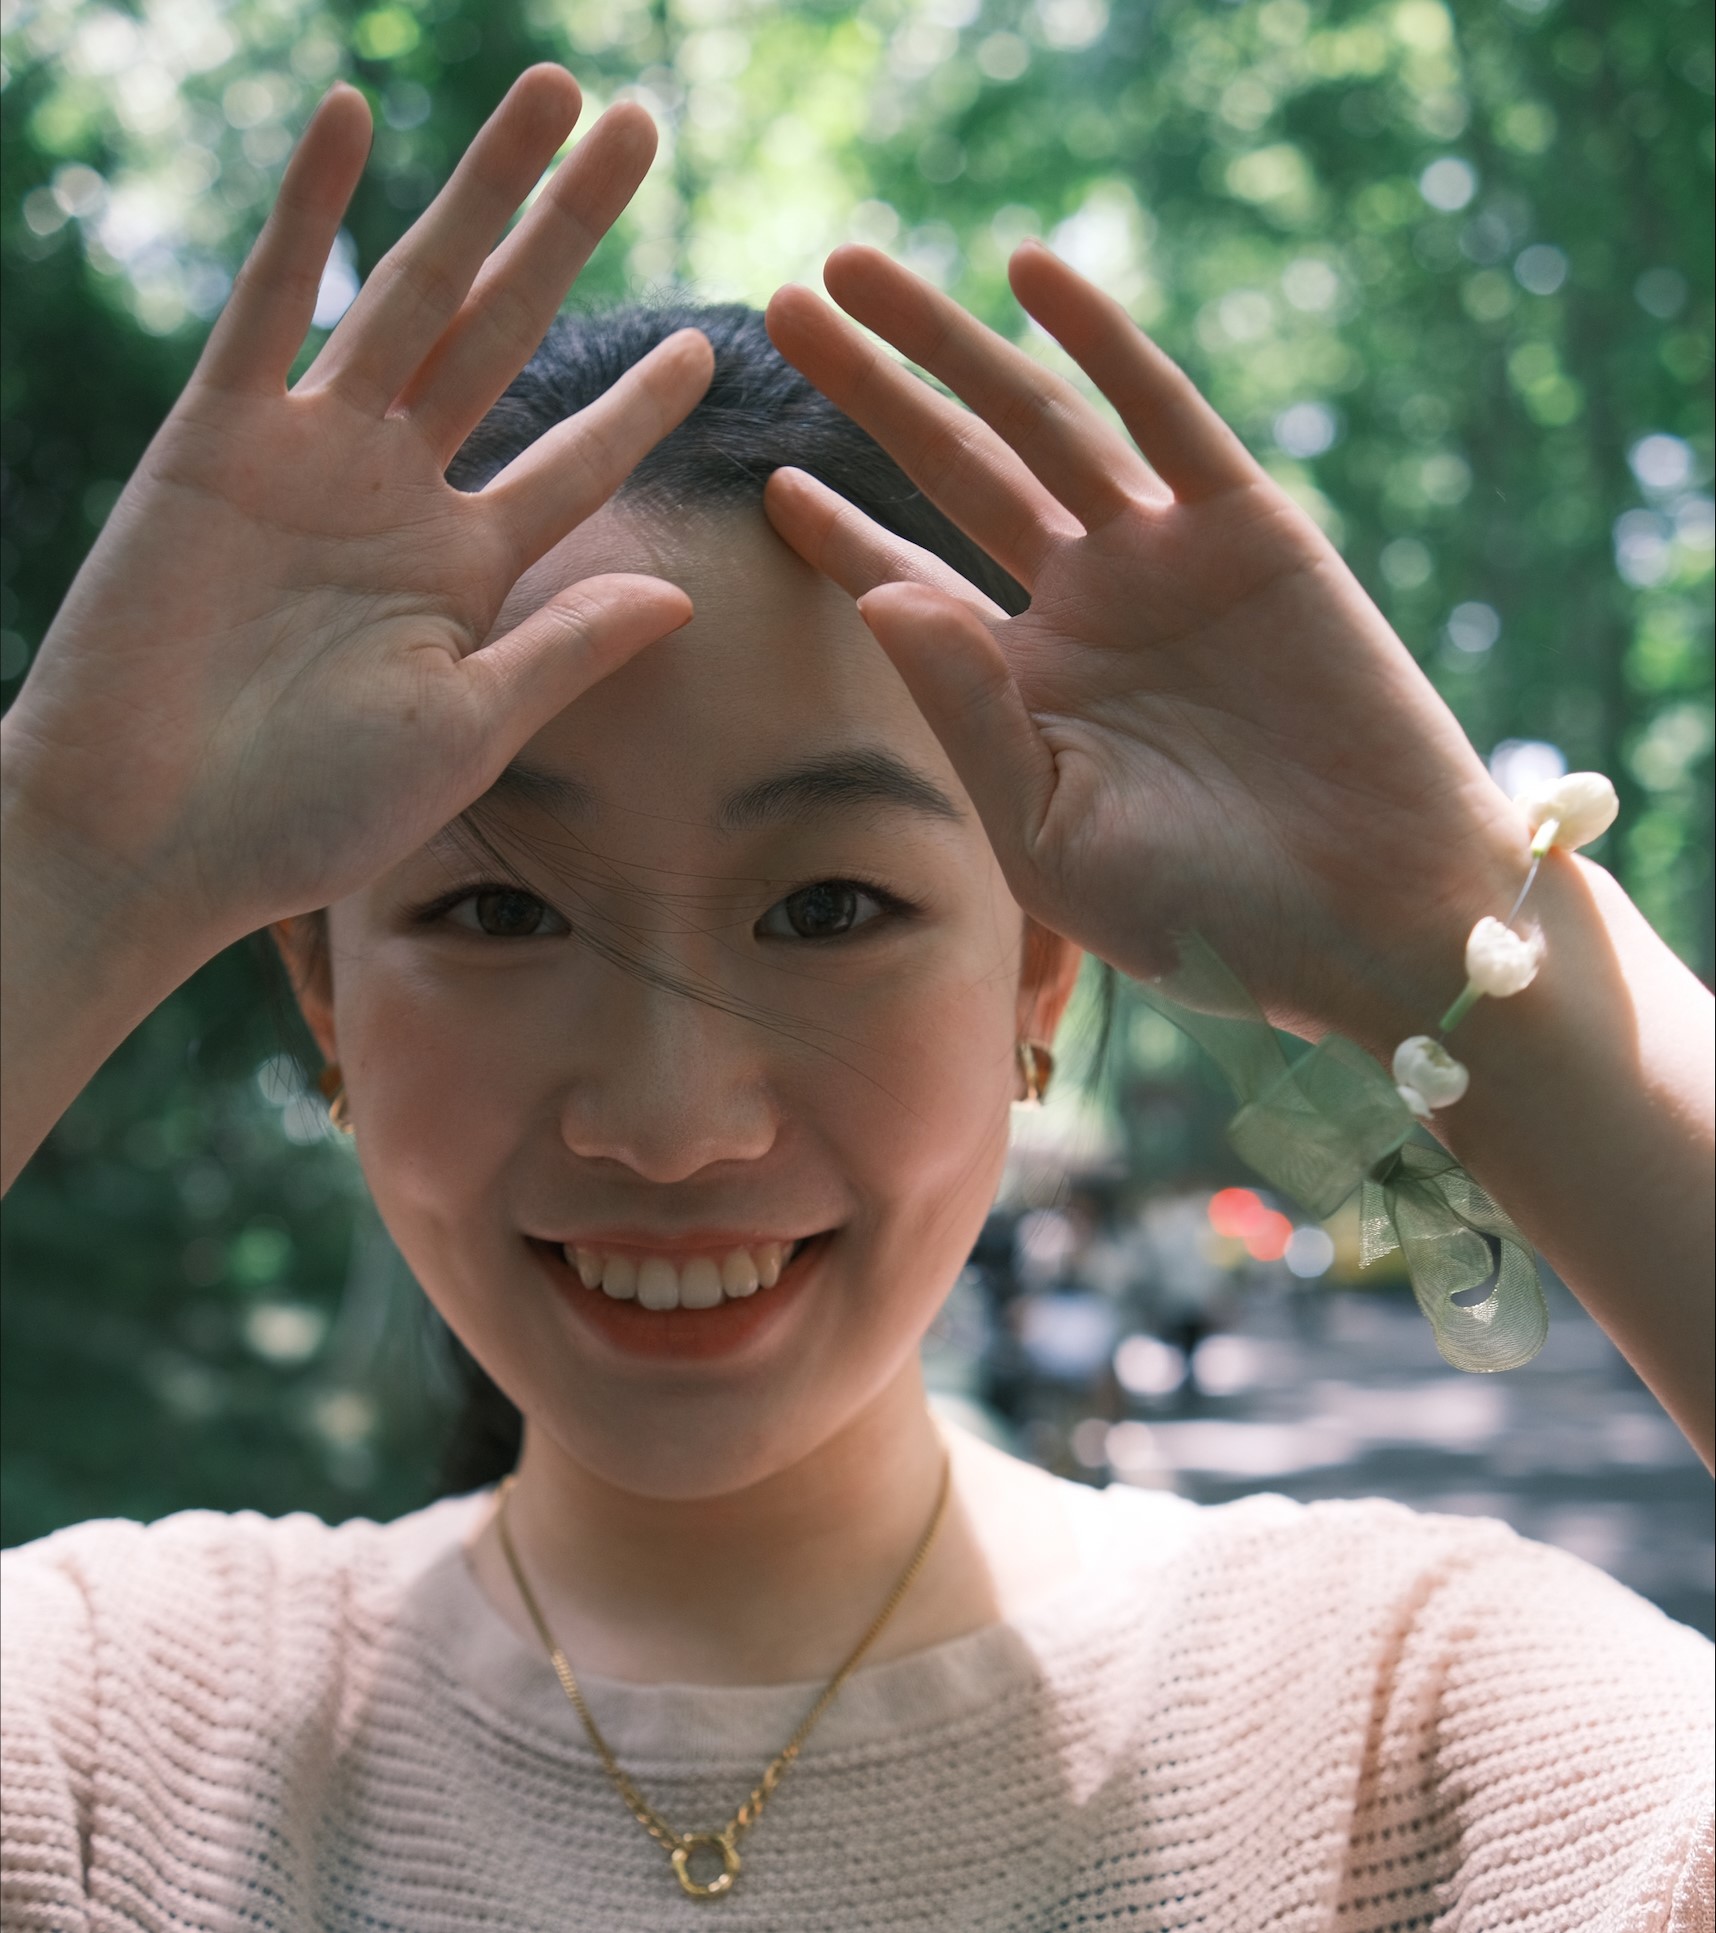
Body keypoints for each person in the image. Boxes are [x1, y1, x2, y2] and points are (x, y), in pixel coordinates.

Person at [1, 64, 1711, 1931]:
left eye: (827, 904)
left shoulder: (1414, 1734)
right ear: (322, 989)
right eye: (498, 910)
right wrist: (63, 875)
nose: (669, 1118)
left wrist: (1460, 941)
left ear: (1037, 972)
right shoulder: (103, 1747)